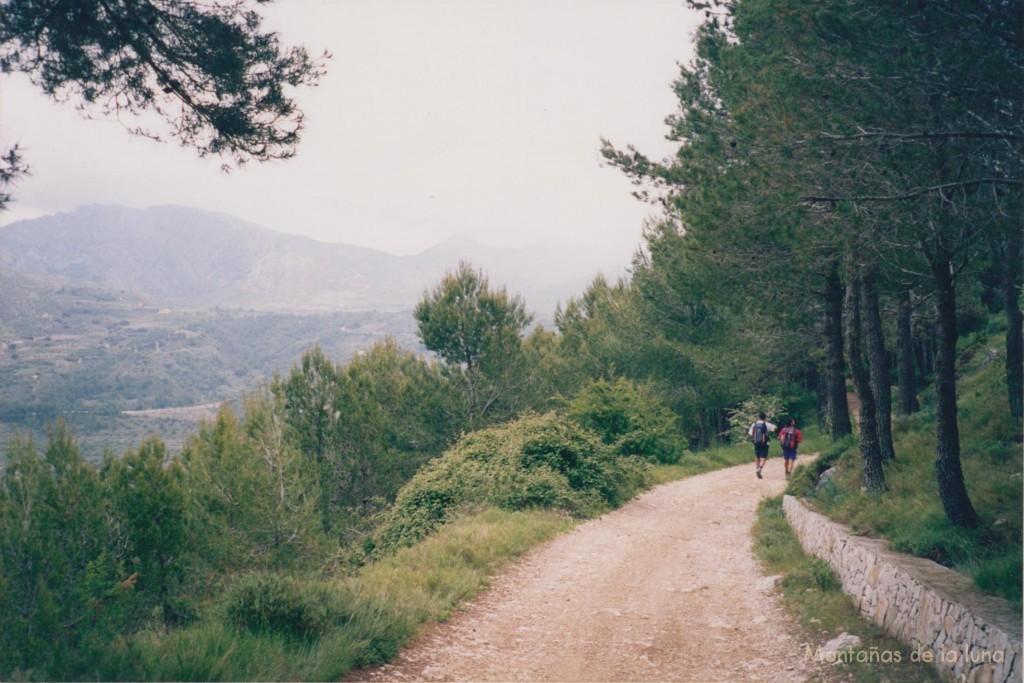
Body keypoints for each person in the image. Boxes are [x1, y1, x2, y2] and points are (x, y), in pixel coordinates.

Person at [748, 412, 776, 479]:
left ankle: (757, 469)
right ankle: (760, 469)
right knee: (763, 458)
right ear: (765, 417)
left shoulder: (754, 424)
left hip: (756, 443)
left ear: (759, 417)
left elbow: (750, 433)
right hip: (765, 444)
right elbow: (774, 428)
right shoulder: (766, 424)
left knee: (757, 456)